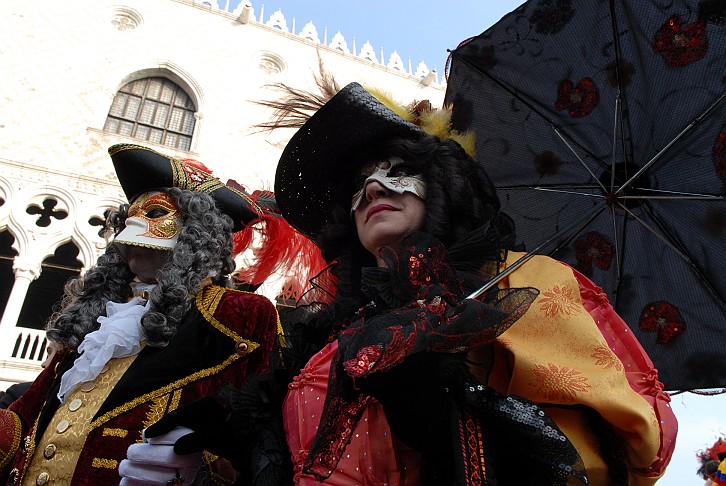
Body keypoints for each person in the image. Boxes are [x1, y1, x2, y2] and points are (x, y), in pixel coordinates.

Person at [135, 80, 677, 484]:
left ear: (443, 187)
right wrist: (239, 437)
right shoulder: (336, 331)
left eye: (397, 169)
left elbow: (619, 447)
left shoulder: (520, 282)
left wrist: (448, 415)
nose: (372, 188)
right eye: (358, 185)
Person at [0, 143, 284, 486]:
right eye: (130, 215)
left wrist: (209, 469)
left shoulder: (236, 317)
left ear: (197, 233)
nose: (135, 225)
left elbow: (254, 433)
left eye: (153, 213)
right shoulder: (101, 320)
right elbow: (21, 419)